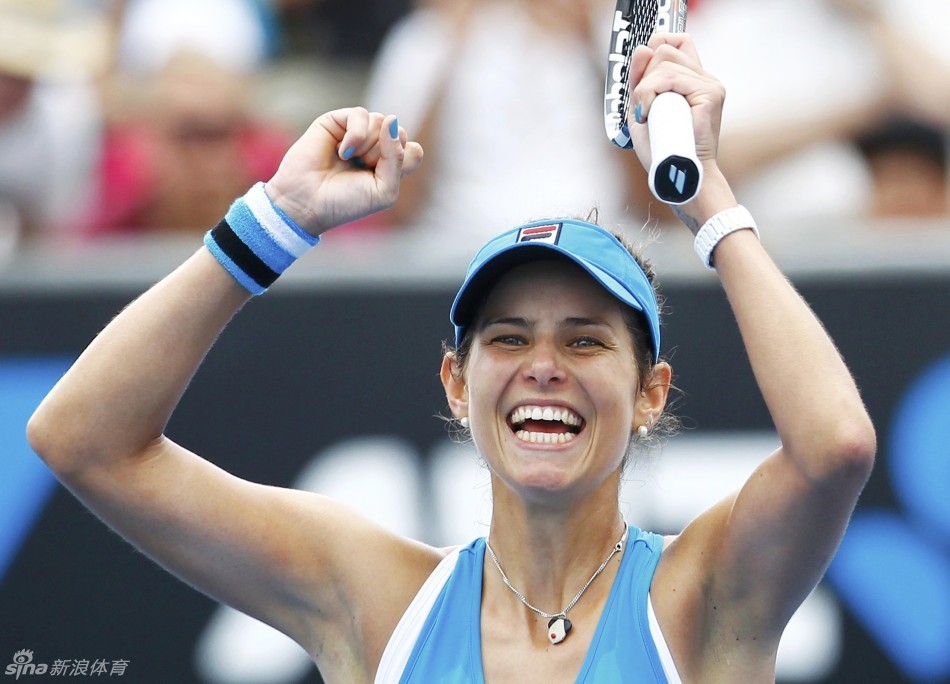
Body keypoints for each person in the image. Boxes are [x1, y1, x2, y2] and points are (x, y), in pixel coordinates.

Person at [28, 34, 876, 682]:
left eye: (585, 338)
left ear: (651, 392)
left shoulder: (705, 593)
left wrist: (706, 194)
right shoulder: (374, 597)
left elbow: (834, 446)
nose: (544, 364)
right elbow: (83, 439)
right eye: (508, 337)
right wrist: (274, 223)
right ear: (456, 383)